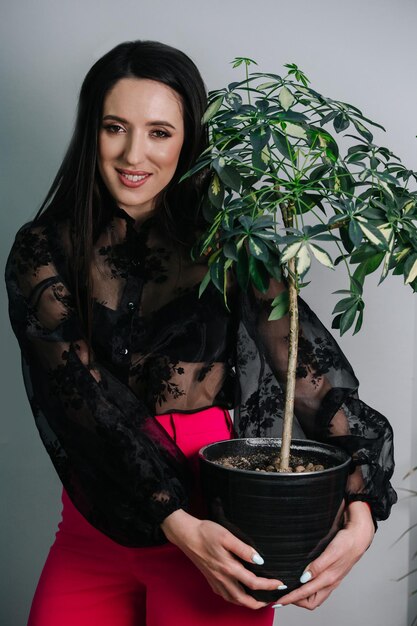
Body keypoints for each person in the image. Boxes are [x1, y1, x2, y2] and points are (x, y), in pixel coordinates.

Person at [5, 40, 397, 626]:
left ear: (189, 139)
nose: (134, 153)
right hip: (96, 528)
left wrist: (362, 505)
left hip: (222, 529)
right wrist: (174, 522)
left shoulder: (229, 245)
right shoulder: (41, 250)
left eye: (160, 132)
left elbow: (309, 379)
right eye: (116, 127)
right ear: (92, 132)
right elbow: (73, 397)